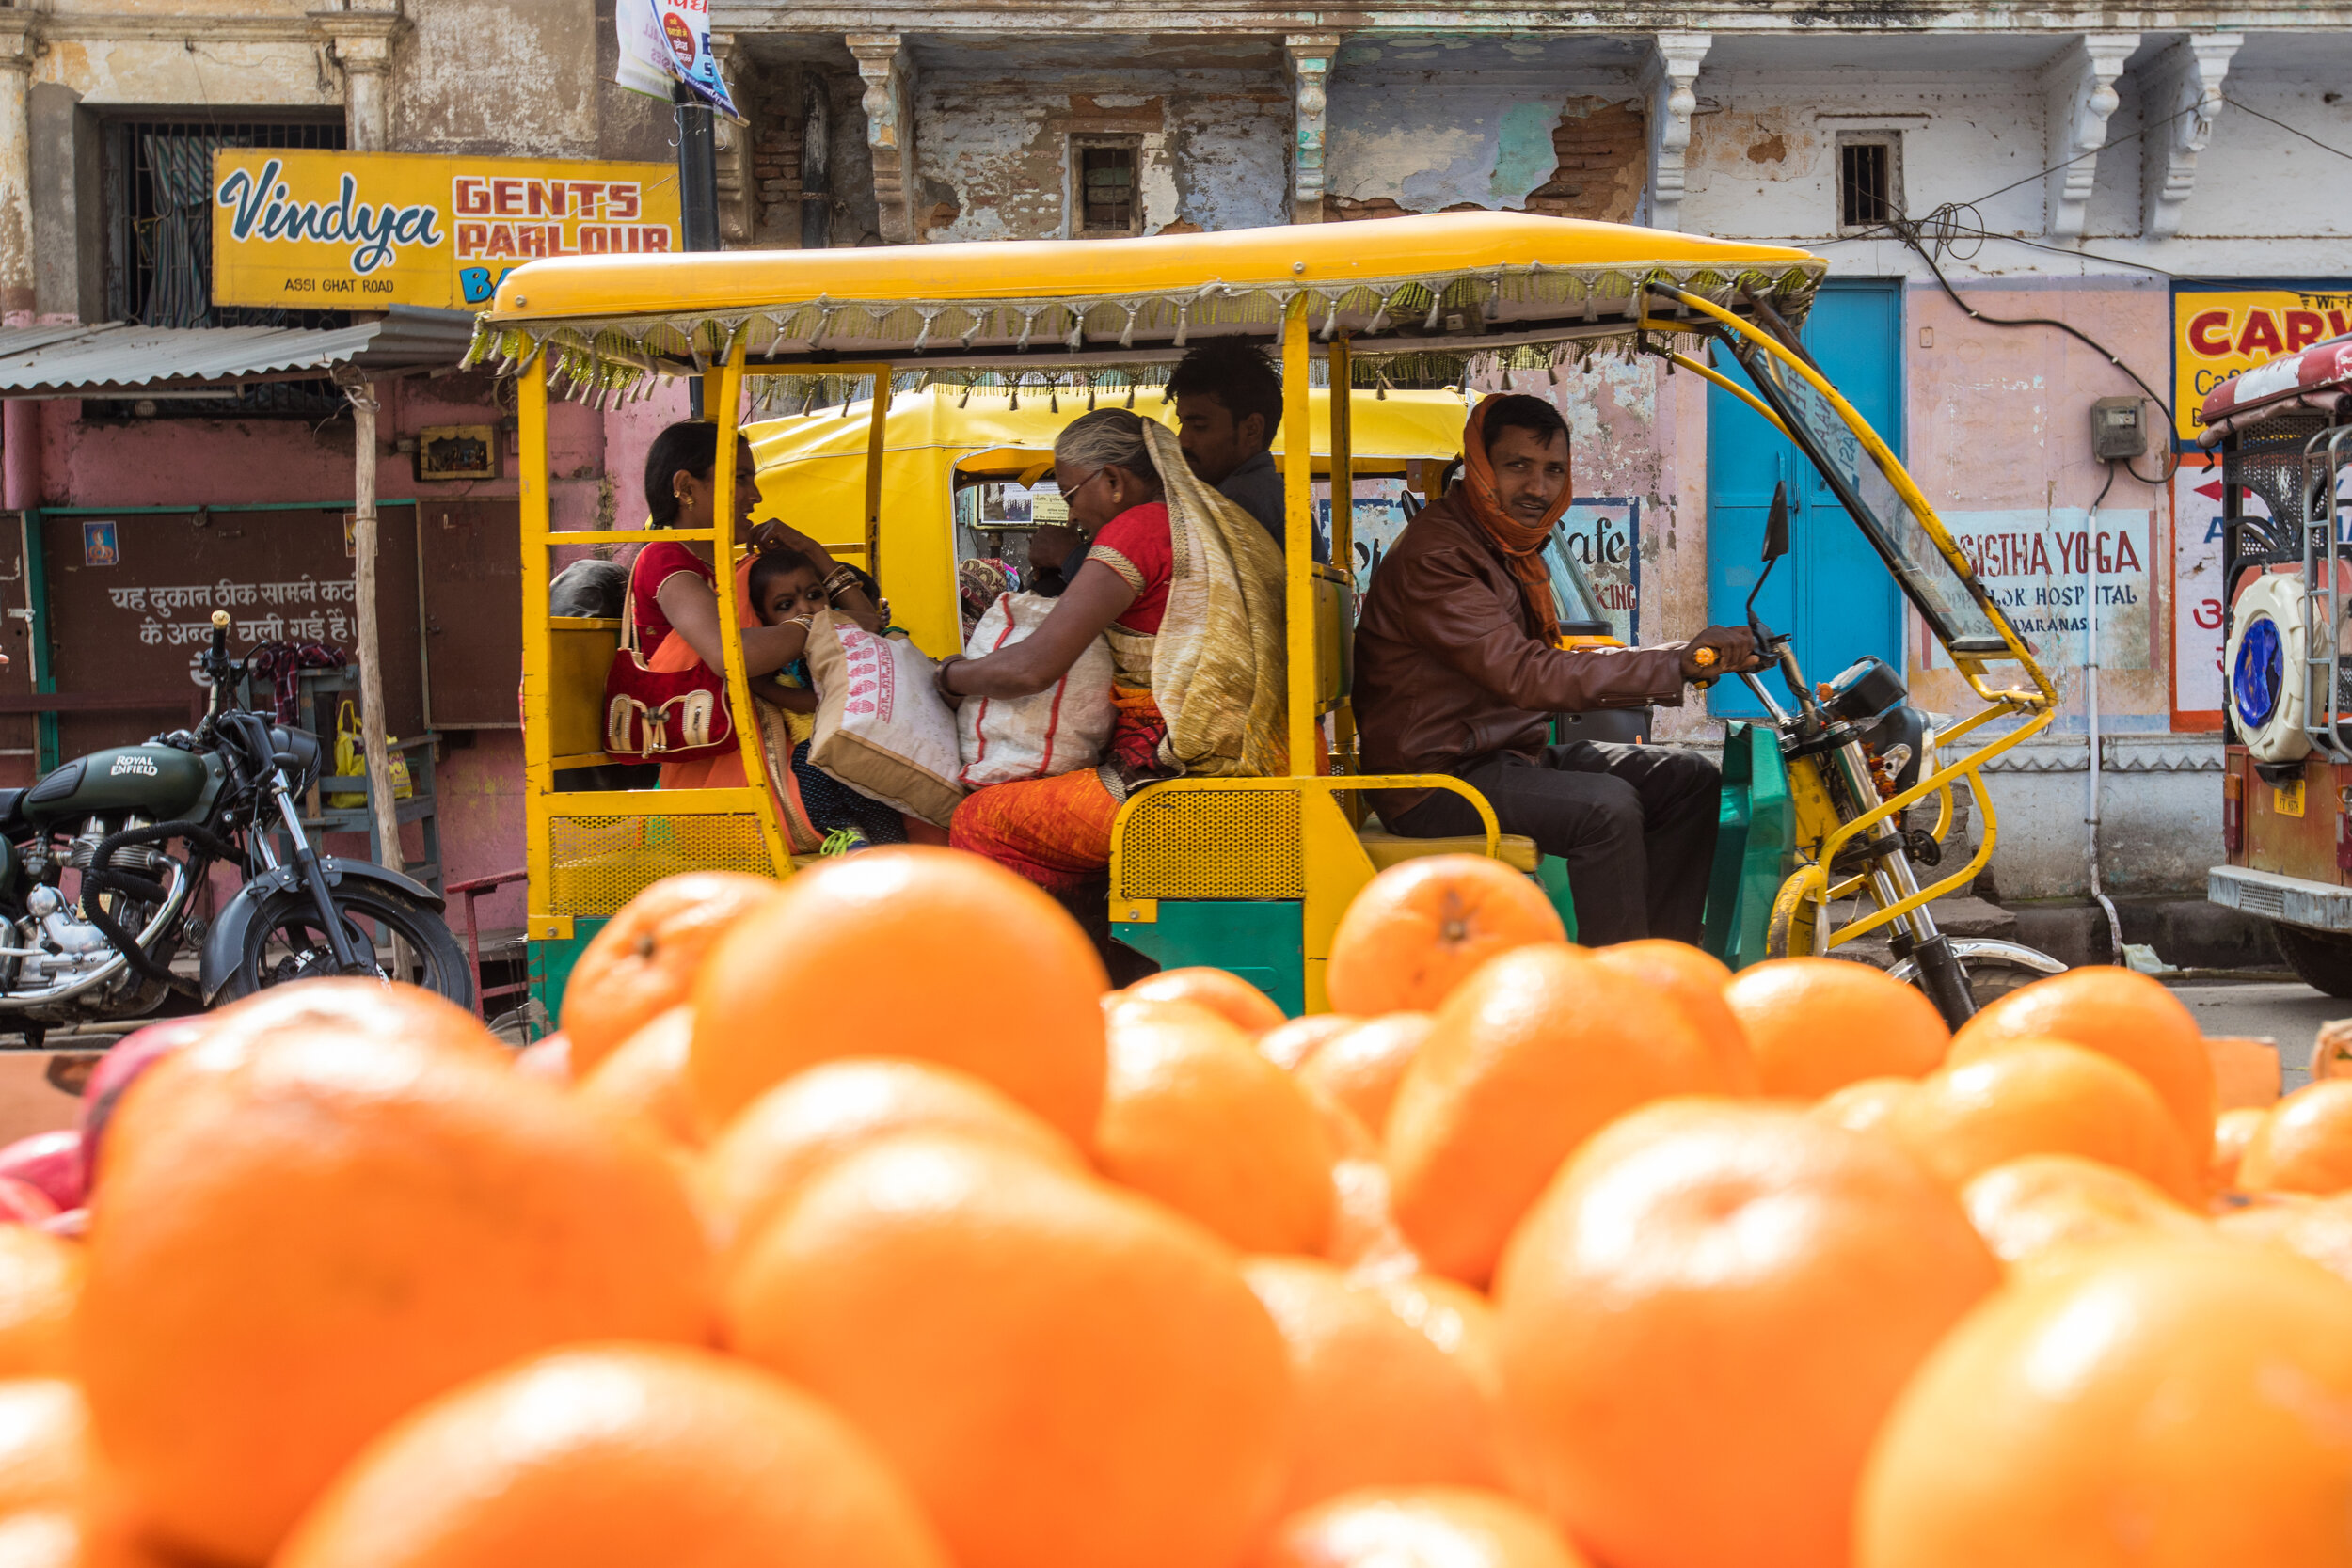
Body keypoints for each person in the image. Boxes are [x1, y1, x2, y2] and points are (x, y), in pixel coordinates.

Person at [1353, 392, 1764, 947]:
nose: (1538, 488)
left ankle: (1663, 958)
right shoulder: (1441, 556)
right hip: (1437, 780)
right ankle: (1613, 991)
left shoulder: (1505, 546)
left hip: (1502, 754)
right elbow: (1526, 674)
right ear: (1480, 468)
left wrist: (1685, 658)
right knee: (1605, 808)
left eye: (1553, 471)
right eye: (1517, 467)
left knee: (1688, 778)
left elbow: (1553, 661)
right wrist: (1676, 664)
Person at [944, 406, 1285, 915]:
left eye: (1069, 496)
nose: (1071, 516)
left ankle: (1063, 968)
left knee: (979, 820)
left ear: (1113, 481)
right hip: (1270, 761)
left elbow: (1031, 668)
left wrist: (950, 675)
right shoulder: (1217, 518)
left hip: (1189, 783)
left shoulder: (1140, 529)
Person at [627, 419, 881, 790]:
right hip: (719, 770)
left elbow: (870, 629)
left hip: (774, 747)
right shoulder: (664, 560)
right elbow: (730, 655)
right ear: (686, 487)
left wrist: (812, 551)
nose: (755, 495)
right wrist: (823, 624)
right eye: (740, 478)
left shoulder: (732, 570)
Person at [740, 546, 905, 851]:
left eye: (815, 595)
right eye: (786, 605)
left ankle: (890, 845)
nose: (806, 609)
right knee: (809, 768)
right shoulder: (777, 653)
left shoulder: (841, 643)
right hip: (816, 743)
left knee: (869, 792)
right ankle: (844, 833)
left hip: (857, 735)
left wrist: (763, 688)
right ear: (764, 618)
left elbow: (825, 698)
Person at [1168, 339, 1289, 549]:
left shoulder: (1239, 499)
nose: (1182, 440)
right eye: (1182, 423)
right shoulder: (1264, 489)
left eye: (1198, 425)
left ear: (1252, 430)